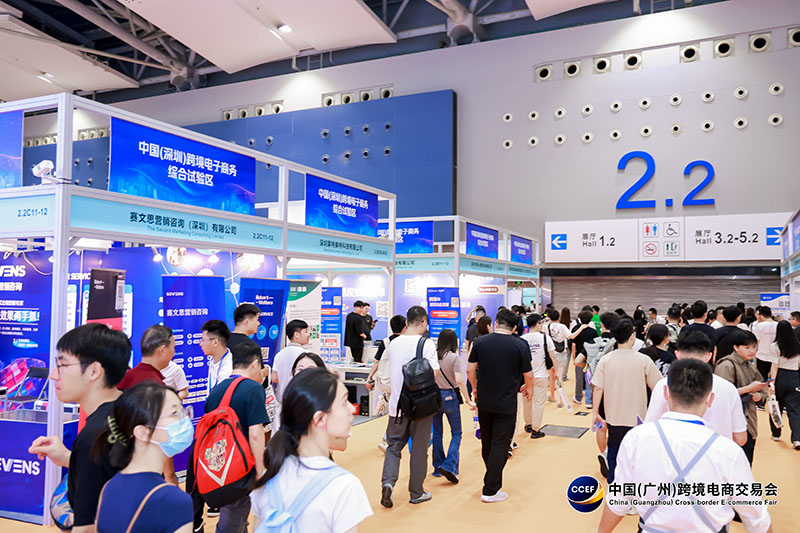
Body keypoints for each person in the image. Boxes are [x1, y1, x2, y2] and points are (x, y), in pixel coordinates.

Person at [597, 359, 773, 533]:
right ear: (710, 398)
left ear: (666, 393)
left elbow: (619, 500)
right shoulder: (728, 450)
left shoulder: (636, 438)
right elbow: (756, 517)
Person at [28, 324, 130, 532]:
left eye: (62, 365)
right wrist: (70, 458)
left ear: (93, 371)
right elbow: (114, 472)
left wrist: (80, 455)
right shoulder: (129, 411)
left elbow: (86, 528)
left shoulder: (93, 437)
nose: (53, 375)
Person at [250, 368, 372, 532]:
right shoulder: (343, 486)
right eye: (344, 402)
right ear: (319, 419)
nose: (352, 409)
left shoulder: (268, 478)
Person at [93, 382, 193, 533]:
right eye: (174, 413)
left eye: (182, 410)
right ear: (142, 432)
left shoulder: (108, 488)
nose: (184, 419)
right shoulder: (173, 500)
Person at [202, 340, 269, 531]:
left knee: (234, 516)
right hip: (241, 465)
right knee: (234, 516)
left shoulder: (217, 390)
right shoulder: (254, 389)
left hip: (218, 464)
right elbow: (255, 433)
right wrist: (260, 470)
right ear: (255, 364)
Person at [467, 308, 533, 503]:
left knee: (487, 441)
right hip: (506, 402)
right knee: (501, 444)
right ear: (514, 328)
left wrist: (475, 388)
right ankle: (490, 489)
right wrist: (528, 388)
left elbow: (470, 369)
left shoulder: (480, 342)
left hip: (484, 400)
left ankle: (491, 477)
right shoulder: (520, 344)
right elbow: (528, 374)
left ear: (496, 324)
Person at [645, 329, 747, 446]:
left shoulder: (664, 384)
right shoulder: (728, 388)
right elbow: (740, 438)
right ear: (709, 356)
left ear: (677, 354)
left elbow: (650, 426)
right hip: (716, 452)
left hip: (672, 451)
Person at [380, 306, 439, 507]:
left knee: (393, 447)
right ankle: (416, 492)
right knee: (419, 450)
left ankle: (388, 483)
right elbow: (434, 373)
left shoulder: (394, 343)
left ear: (406, 322)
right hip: (419, 407)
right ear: (423, 322)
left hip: (396, 405)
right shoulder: (426, 344)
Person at [591, 319, 662, 482]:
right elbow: (657, 386)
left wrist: (595, 413)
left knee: (614, 450)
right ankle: (633, 487)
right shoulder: (643, 360)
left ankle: (614, 484)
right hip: (638, 418)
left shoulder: (606, 360)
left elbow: (598, 388)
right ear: (632, 336)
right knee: (636, 454)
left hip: (613, 416)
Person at [715, 330, 769, 464]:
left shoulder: (749, 364)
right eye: (747, 347)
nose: (752, 351)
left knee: (746, 462)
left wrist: (760, 395)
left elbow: (762, 387)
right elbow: (721, 394)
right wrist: (750, 388)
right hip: (731, 422)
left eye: (754, 347)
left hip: (749, 420)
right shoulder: (726, 365)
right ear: (736, 347)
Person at [431, 328, 474, 483]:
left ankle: (437, 467)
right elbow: (459, 380)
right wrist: (468, 399)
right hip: (450, 397)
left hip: (434, 397)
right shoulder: (454, 357)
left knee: (437, 433)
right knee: (456, 433)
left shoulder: (433, 356)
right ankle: (449, 465)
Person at [766, 320, 800, 448]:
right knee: (795, 409)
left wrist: (772, 383)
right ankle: (797, 439)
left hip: (780, 376)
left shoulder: (775, 346)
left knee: (776, 405)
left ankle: (776, 433)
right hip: (794, 376)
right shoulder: (798, 345)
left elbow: (774, 366)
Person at [521, 313, 555, 439]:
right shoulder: (545, 338)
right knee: (539, 403)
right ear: (537, 324)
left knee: (527, 401)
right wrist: (556, 373)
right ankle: (535, 429)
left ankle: (528, 424)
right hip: (541, 375)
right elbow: (553, 357)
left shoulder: (522, 338)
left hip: (525, 376)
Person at [118, 325, 174, 390]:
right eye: (173, 347)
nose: (173, 352)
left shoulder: (124, 378)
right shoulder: (156, 386)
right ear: (163, 350)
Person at [272, 320, 311, 402]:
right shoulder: (306, 354)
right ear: (296, 334)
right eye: (306, 331)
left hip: (284, 400)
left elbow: (274, 378)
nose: (309, 334)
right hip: (301, 400)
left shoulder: (279, 354)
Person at [570, 309, 598, 408]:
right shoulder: (593, 331)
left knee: (579, 377)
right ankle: (589, 401)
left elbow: (573, 344)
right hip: (590, 357)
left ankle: (578, 397)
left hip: (579, 355)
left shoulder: (576, 329)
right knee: (589, 377)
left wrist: (574, 357)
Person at [545, 309, 570, 404]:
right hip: (561, 353)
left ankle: (552, 397)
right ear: (559, 317)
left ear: (549, 317)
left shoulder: (546, 327)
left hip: (550, 354)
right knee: (560, 377)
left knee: (551, 377)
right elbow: (570, 336)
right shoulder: (562, 326)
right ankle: (560, 400)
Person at [200, 319, 232, 393]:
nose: (200, 344)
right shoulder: (213, 360)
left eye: (203, 340)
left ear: (215, 342)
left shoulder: (230, 368)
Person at [753, 305, 778, 379]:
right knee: (774, 378)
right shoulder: (778, 325)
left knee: (762, 378)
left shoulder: (759, 326)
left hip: (762, 355)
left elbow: (756, 340)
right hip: (775, 356)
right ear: (771, 314)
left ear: (760, 316)